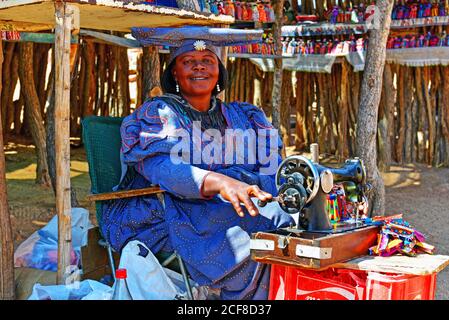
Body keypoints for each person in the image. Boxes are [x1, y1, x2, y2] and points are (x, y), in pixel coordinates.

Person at [100, 27, 294, 300]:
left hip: (233, 204)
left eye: (208, 61)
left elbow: (272, 166)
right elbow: (164, 171)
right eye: (188, 62)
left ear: (219, 72)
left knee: (289, 218)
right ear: (174, 74)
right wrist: (221, 182)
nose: (199, 67)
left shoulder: (245, 115)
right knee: (257, 228)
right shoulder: (159, 115)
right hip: (169, 208)